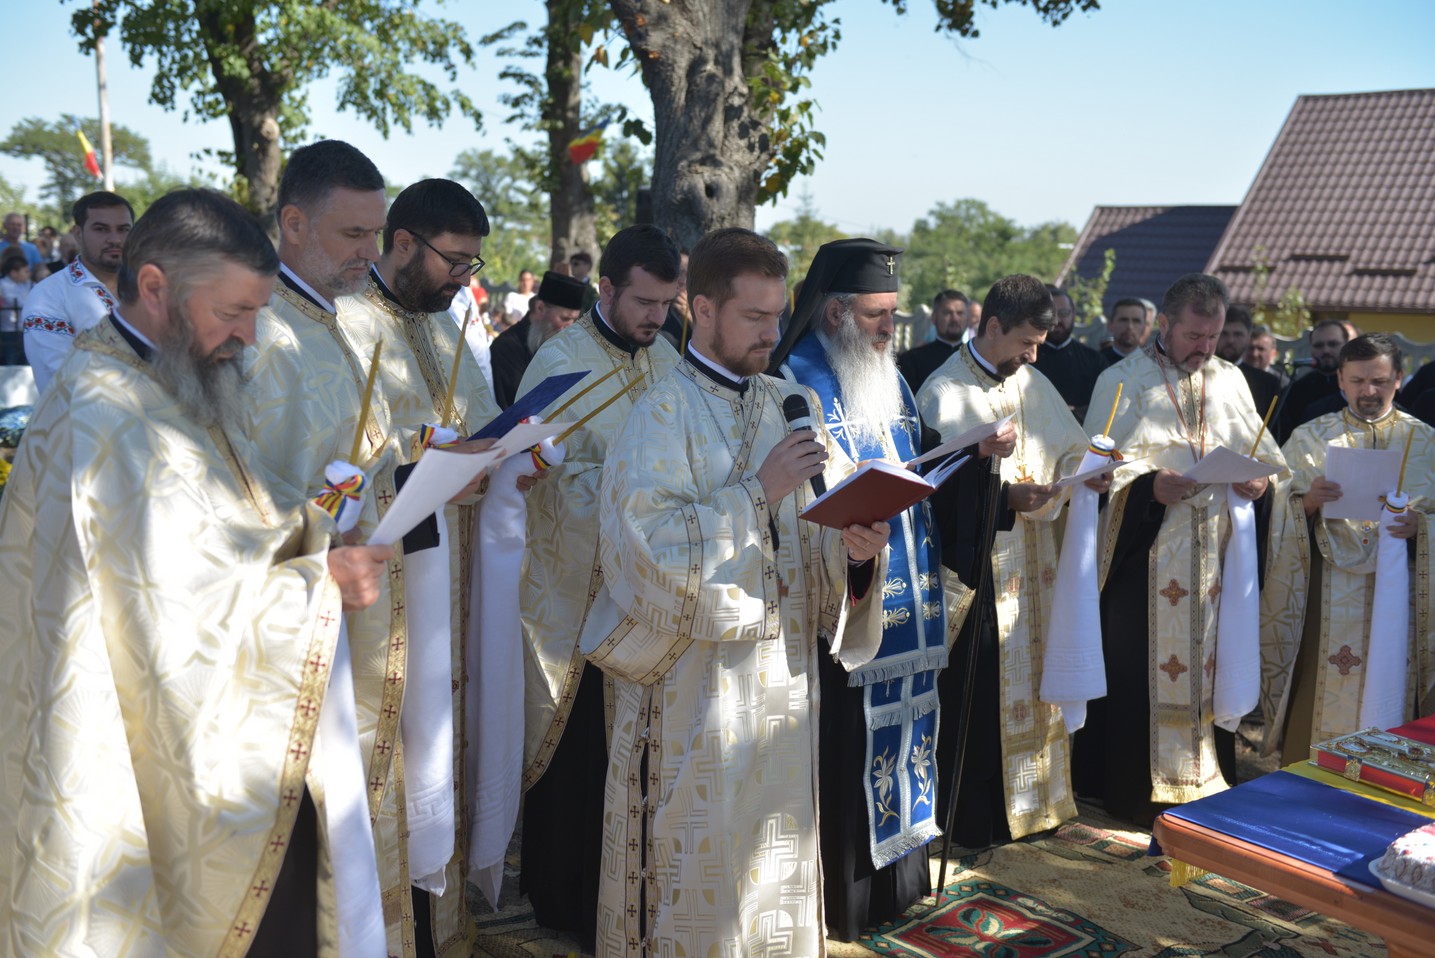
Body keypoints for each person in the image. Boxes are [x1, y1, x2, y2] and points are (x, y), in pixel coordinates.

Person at [0, 188, 392, 955]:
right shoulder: (101, 413)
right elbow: (168, 616)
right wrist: (318, 589)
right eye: (233, 313)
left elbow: (230, 520)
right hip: (132, 740)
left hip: (229, 724)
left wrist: (313, 526)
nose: (249, 337)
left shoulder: (169, 376)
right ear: (155, 288)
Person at [586, 226, 887, 957]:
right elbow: (644, 556)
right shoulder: (658, 412)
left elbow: (816, 533)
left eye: (778, 316)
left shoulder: (791, 403)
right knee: (698, 881)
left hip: (782, 687)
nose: (771, 333)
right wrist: (757, 493)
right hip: (696, 696)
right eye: (754, 317)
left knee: (773, 869)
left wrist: (853, 553)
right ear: (700, 309)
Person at [242, 139, 409, 956]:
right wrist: (336, 498)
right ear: (294, 222)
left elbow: (357, 452)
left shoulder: (340, 322)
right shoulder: (259, 334)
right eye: (353, 235)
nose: (371, 254)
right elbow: (246, 495)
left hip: (362, 604)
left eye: (376, 234)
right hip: (295, 622)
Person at [773, 238, 948, 938]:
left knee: (910, 739)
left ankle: (895, 891)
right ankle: (844, 902)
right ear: (836, 310)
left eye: (893, 316)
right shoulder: (797, 380)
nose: (888, 330)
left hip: (910, 599)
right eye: (878, 315)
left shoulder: (892, 379)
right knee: (849, 751)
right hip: (845, 605)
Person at [346, 177, 502, 957]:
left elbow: (478, 423)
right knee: (388, 764)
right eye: (453, 259)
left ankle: (441, 926)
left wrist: (511, 456)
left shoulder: (447, 328)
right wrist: (421, 457)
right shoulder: (341, 325)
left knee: (439, 754)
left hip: (448, 581)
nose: (464, 279)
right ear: (401, 243)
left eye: (474, 263)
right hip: (376, 598)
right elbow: (332, 462)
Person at [517, 224, 682, 951]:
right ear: (606, 290)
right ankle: (568, 900)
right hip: (579, 597)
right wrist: (632, 490)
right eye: (644, 302)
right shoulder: (558, 363)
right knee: (583, 757)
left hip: (651, 598)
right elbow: (531, 485)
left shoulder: (668, 357)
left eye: (667, 303)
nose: (656, 317)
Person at [1072, 273, 1286, 827]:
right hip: (1143, 559)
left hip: (1215, 560)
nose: (1206, 348)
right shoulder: (1120, 380)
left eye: (1213, 336)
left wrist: (1260, 486)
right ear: (1163, 325)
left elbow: (1271, 464)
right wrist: (1148, 487)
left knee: (1211, 669)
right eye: (1194, 335)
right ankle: (1131, 792)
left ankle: (1208, 780)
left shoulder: (1232, 379)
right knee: (1137, 671)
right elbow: (1094, 470)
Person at [918, 274, 1094, 849]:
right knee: (981, 691)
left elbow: (1071, 447)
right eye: (1026, 341)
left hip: (1036, 570)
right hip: (979, 572)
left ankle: (1036, 804)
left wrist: (1093, 470)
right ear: (991, 327)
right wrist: (1004, 499)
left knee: (1033, 686)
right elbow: (934, 491)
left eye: (1040, 343)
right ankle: (976, 819)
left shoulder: (1034, 383)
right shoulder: (943, 392)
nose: (1033, 354)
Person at [1261, 333, 1435, 764]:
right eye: (1357, 381)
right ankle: (1307, 777)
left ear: (1399, 379)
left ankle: (1388, 781)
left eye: (1378, 381)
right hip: (1327, 593)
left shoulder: (1427, 443)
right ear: (1340, 380)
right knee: (1319, 688)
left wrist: (1423, 527)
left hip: (1401, 596)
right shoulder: (1310, 437)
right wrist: (1309, 503)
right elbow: (1278, 505)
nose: (1368, 392)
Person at [21, 191, 133, 392]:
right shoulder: (49, 296)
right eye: (101, 229)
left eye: (124, 229)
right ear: (78, 234)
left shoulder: (149, 288)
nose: (115, 239)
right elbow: (62, 382)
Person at [488, 269, 586, 407]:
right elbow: (517, 407)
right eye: (564, 318)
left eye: (574, 320)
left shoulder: (564, 347)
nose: (569, 328)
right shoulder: (506, 346)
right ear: (540, 308)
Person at [1031, 284, 1105, 421]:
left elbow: (1104, 404)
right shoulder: (1027, 358)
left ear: (1074, 315)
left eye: (1064, 313)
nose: (1057, 320)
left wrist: (1075, 412)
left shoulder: (1094, 360)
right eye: (1051, 314)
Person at [1277, 319, 1349, 440]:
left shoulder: (1357, 386)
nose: (1326, 350)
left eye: (1333, 344)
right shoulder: (1297, 389)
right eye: (1319, 345)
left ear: (1346, 345)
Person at [897, 288, 969, 393]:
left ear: (967, 318)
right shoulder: (912, 360)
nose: (955, 319)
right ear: (934, 317)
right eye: (948, 313)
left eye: (960, 313)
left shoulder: (976, 358)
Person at [1219, 305, 1281, 416]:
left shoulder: (1268, 383)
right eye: (1224, 333)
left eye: (1238, 334)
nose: (1230, 340)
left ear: (1248, 337)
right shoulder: (1198, 374)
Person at [1101, 296, 1151, 365]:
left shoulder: (1156, 366)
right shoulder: (1095, 363)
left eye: (1136, 321)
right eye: (1123, 320)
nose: (1129, 326)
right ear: (1110, 325)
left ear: (1144, 327)